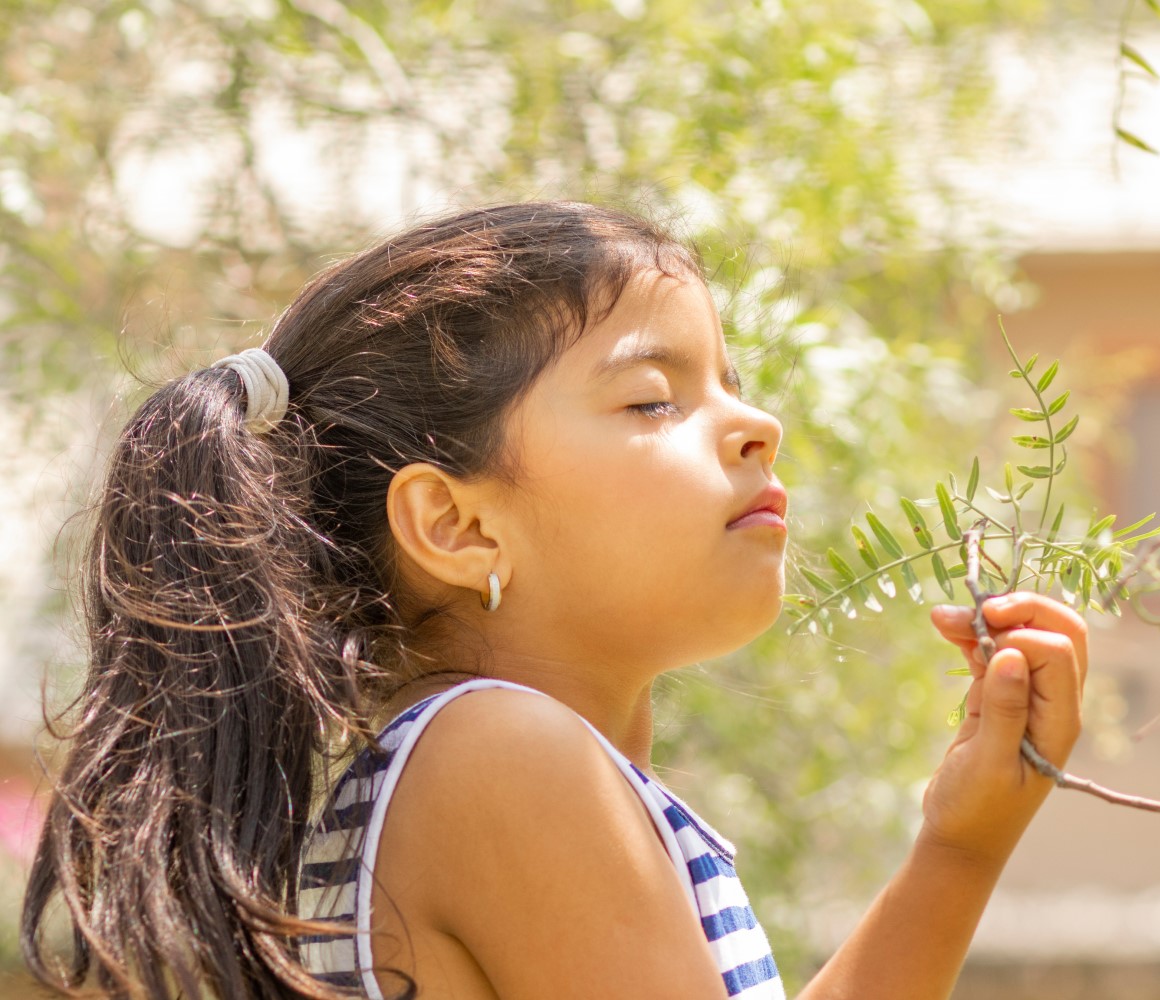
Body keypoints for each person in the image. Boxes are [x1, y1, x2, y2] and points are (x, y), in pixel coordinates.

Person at [20, 201, 1088, 999]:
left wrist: (958, 849)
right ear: (459, 527)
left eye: (729, 381)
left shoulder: (484, 762)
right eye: (652, 399)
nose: (756, 423)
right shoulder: (501, 756)